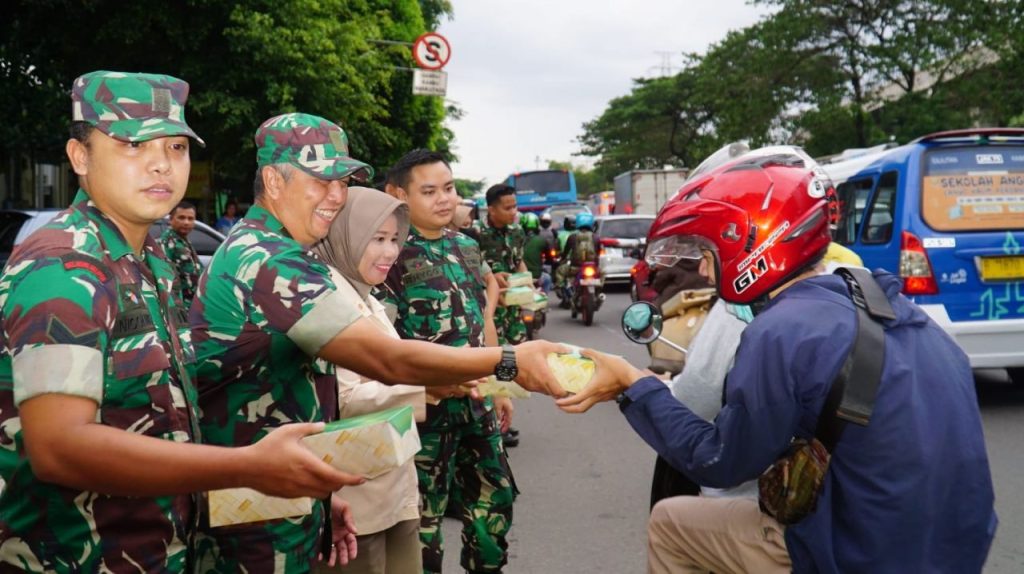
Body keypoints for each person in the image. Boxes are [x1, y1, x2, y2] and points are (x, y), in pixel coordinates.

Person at [558, 151, 997, 573]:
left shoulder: (780, 330)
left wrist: (634, 383)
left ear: (751, 243)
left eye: (709, 254)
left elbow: (721, 462)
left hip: (860, 556)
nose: (707, 274)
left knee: (671, 523)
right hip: (954, 548)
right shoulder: (894, 307)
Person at [0, 71, 359, 573]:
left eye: (175, 146)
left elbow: (171, 421)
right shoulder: (62, 263)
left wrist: (303, 493)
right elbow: (60, 447)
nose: (160, 164)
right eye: (131, 144)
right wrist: (251, 467)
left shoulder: (151, 259)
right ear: (80, 157)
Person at [191, 119, 564, 574]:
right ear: (273, 180)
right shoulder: (268, 258)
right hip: (258, 507)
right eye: (322, 181)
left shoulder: (279, 252)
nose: (336, 195)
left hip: (281, 492)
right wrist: (508, 361)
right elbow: (385, 359)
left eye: (343, 183)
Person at [381, 149, 518, 574]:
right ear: (397, 195)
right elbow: (378, 344)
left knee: (493, 506)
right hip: (423, 413)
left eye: (449, 188)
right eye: (429, 191)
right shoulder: (388, 254)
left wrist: (499, 387)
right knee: (422, 523)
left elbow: (482, 320)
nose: (444, 199)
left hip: (476, 404)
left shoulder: (466, 246)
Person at [310, 187, 424, 574]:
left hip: (392, 486)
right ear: (346, 234)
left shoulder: (367, 295)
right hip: (357, 501)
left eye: (394, 239)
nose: (390, 252)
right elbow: (340, 398)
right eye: (377, 238)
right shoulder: (326, 300)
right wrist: (426, 388)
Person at [477, 184, 529, 346]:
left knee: (520, 355)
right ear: (492, 210)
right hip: (488, 309)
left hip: (513, 305)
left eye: (515, 206)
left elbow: (519, 262)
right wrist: (490, 280)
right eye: (508, 208)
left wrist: (530, 284)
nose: (514, 212)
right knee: (495, 360)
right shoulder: (475, 233)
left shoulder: (517, 231)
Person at [159, 200, 203, 309]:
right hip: (181, 308)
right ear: (171, 219)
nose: (186, 222)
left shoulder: (183, 241)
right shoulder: (167, 243)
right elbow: (165, 281)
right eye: (181, 217)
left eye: (190, 218)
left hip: (193, 305)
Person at [554, 211, 600, 291]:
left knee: (559, 271)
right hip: (593, 267)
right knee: (603, 273)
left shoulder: (572, 237)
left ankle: (560, 287)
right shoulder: (596, 237)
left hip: (575, 268)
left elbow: (566, 252)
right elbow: (598, 252)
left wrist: (562, 260)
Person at [520, 212, 553, 293]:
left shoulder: (516, 240)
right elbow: (549, 258)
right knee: (548, 279)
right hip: (537, 277)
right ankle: (543, 299)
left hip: (519, 277)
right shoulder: (542, 240)